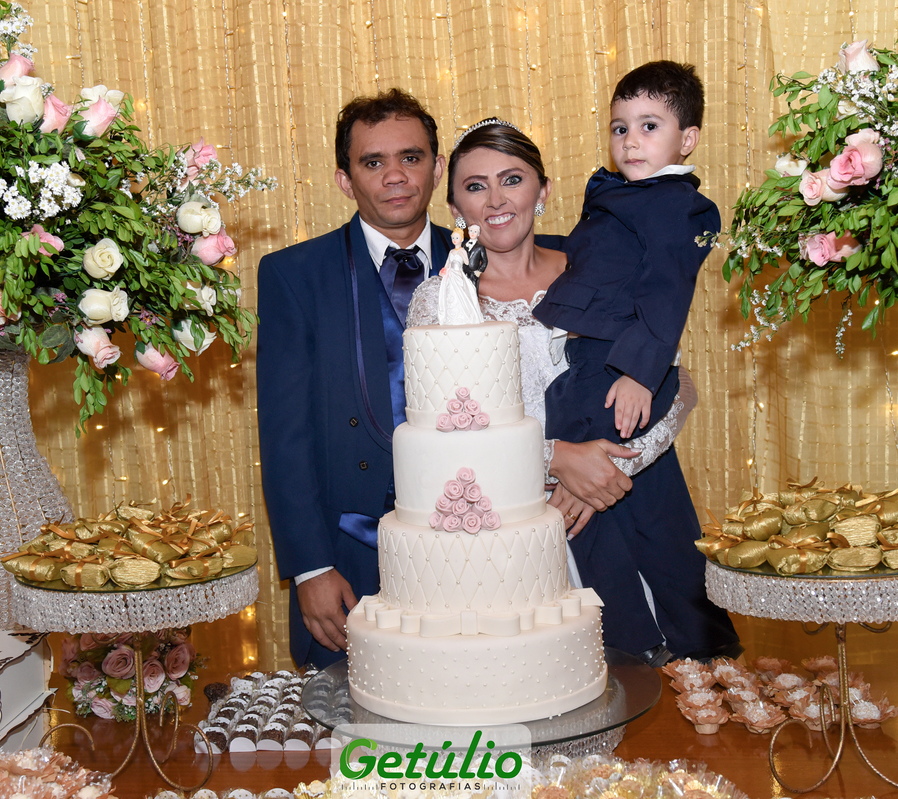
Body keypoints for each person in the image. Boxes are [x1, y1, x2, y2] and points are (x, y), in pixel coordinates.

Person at [405, 118, 711, 663]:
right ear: (454, 208)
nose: (496, 200)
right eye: (475, 186)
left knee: (672, 677)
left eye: (513, 179)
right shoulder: (442, 302)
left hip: (628, 503)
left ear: (543, 191)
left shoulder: (602, 268)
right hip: (513, 533)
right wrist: (556, 459)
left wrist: (606, 472)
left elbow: (675, 383)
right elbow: (443, 437)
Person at [532, 61, 741, 663]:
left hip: (618, 368)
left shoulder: (678, 206)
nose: (630, 141)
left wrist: (638, 374)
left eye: (650, 126)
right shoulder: (619, 194)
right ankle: (637, 643)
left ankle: (685, 645)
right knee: (604, 514)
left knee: (640, 516)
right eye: (620, 128)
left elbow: (667, 290)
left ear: (688, 139)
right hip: (584, 366)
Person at [256, 89, 454, 668]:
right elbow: (285, 433)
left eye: (411, 157)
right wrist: (310, 567)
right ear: (345, 180)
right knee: (354, 717)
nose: (395, 176)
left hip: (474, 541)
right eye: (373, 162)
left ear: (438, 167)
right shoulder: (294, 274)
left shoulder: (485, 261)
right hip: (349, 552)